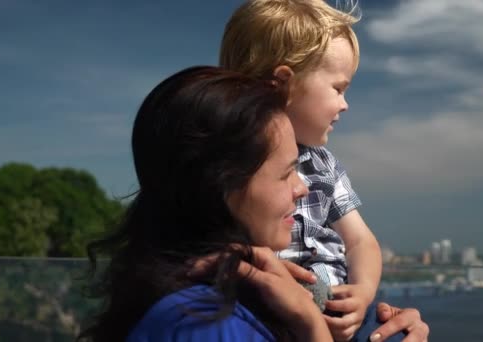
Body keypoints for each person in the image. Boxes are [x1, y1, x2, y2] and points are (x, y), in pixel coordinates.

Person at [220, 1, 429, 341]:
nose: (345, 104)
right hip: (268, 317)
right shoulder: (227, 164)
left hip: (335, 312)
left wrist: (362, 293)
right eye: (338, 88)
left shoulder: (323, 164)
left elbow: (361, 241)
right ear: (282, 83)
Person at [78, 66, 334, 341]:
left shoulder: (185, 300)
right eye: (285, 174)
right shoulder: (208, 324)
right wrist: (312, 326)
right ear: (219, 186)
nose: (302, 188)